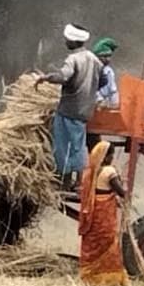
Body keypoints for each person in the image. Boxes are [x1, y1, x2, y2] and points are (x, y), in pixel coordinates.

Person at [36, 23, 103, 190]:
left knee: (62, 146)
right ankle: (80, 181)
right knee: (78, 145)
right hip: (85, 110)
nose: (65, 42)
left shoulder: (73, 59)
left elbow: (64, 77)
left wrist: (46, 78)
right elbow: (103, 80)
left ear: (74, 41)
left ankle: (64, 183)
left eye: (67, 39)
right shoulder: (94, 59)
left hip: (69, 109)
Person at [78, 140, 131, 286]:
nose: (112, 158)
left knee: (92, 241)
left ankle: (90, 277)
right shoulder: (109, 172)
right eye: (111, 155)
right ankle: (109, 278)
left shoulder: (89, 173)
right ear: (104, 156)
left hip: (93, 212)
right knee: (108, 242)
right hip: (105, 213)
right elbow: (121, 192)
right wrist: (128, 196)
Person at [92, 37, 120, 109]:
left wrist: (115, 103)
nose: (108, 59)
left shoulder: (109, 71)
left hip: (105, 107)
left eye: (109, 56)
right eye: (104, 56)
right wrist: (99, 100)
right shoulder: (90, 70)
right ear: (96, 57)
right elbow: (90, 90)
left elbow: (113, 91)